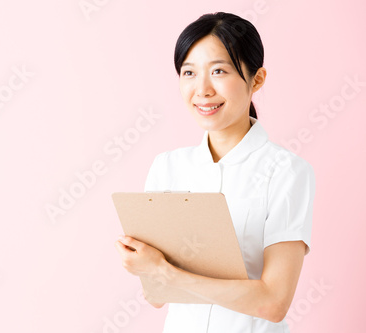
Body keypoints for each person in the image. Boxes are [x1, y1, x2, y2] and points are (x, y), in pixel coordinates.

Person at [114, 12, 316, 332]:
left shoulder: (286, 172)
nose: (202, 89)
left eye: (218, 71)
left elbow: (273, 302)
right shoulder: (167, 168)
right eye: (189, 73)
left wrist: (165, 272)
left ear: (257, 79)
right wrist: (142, 264)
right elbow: (155, 296)